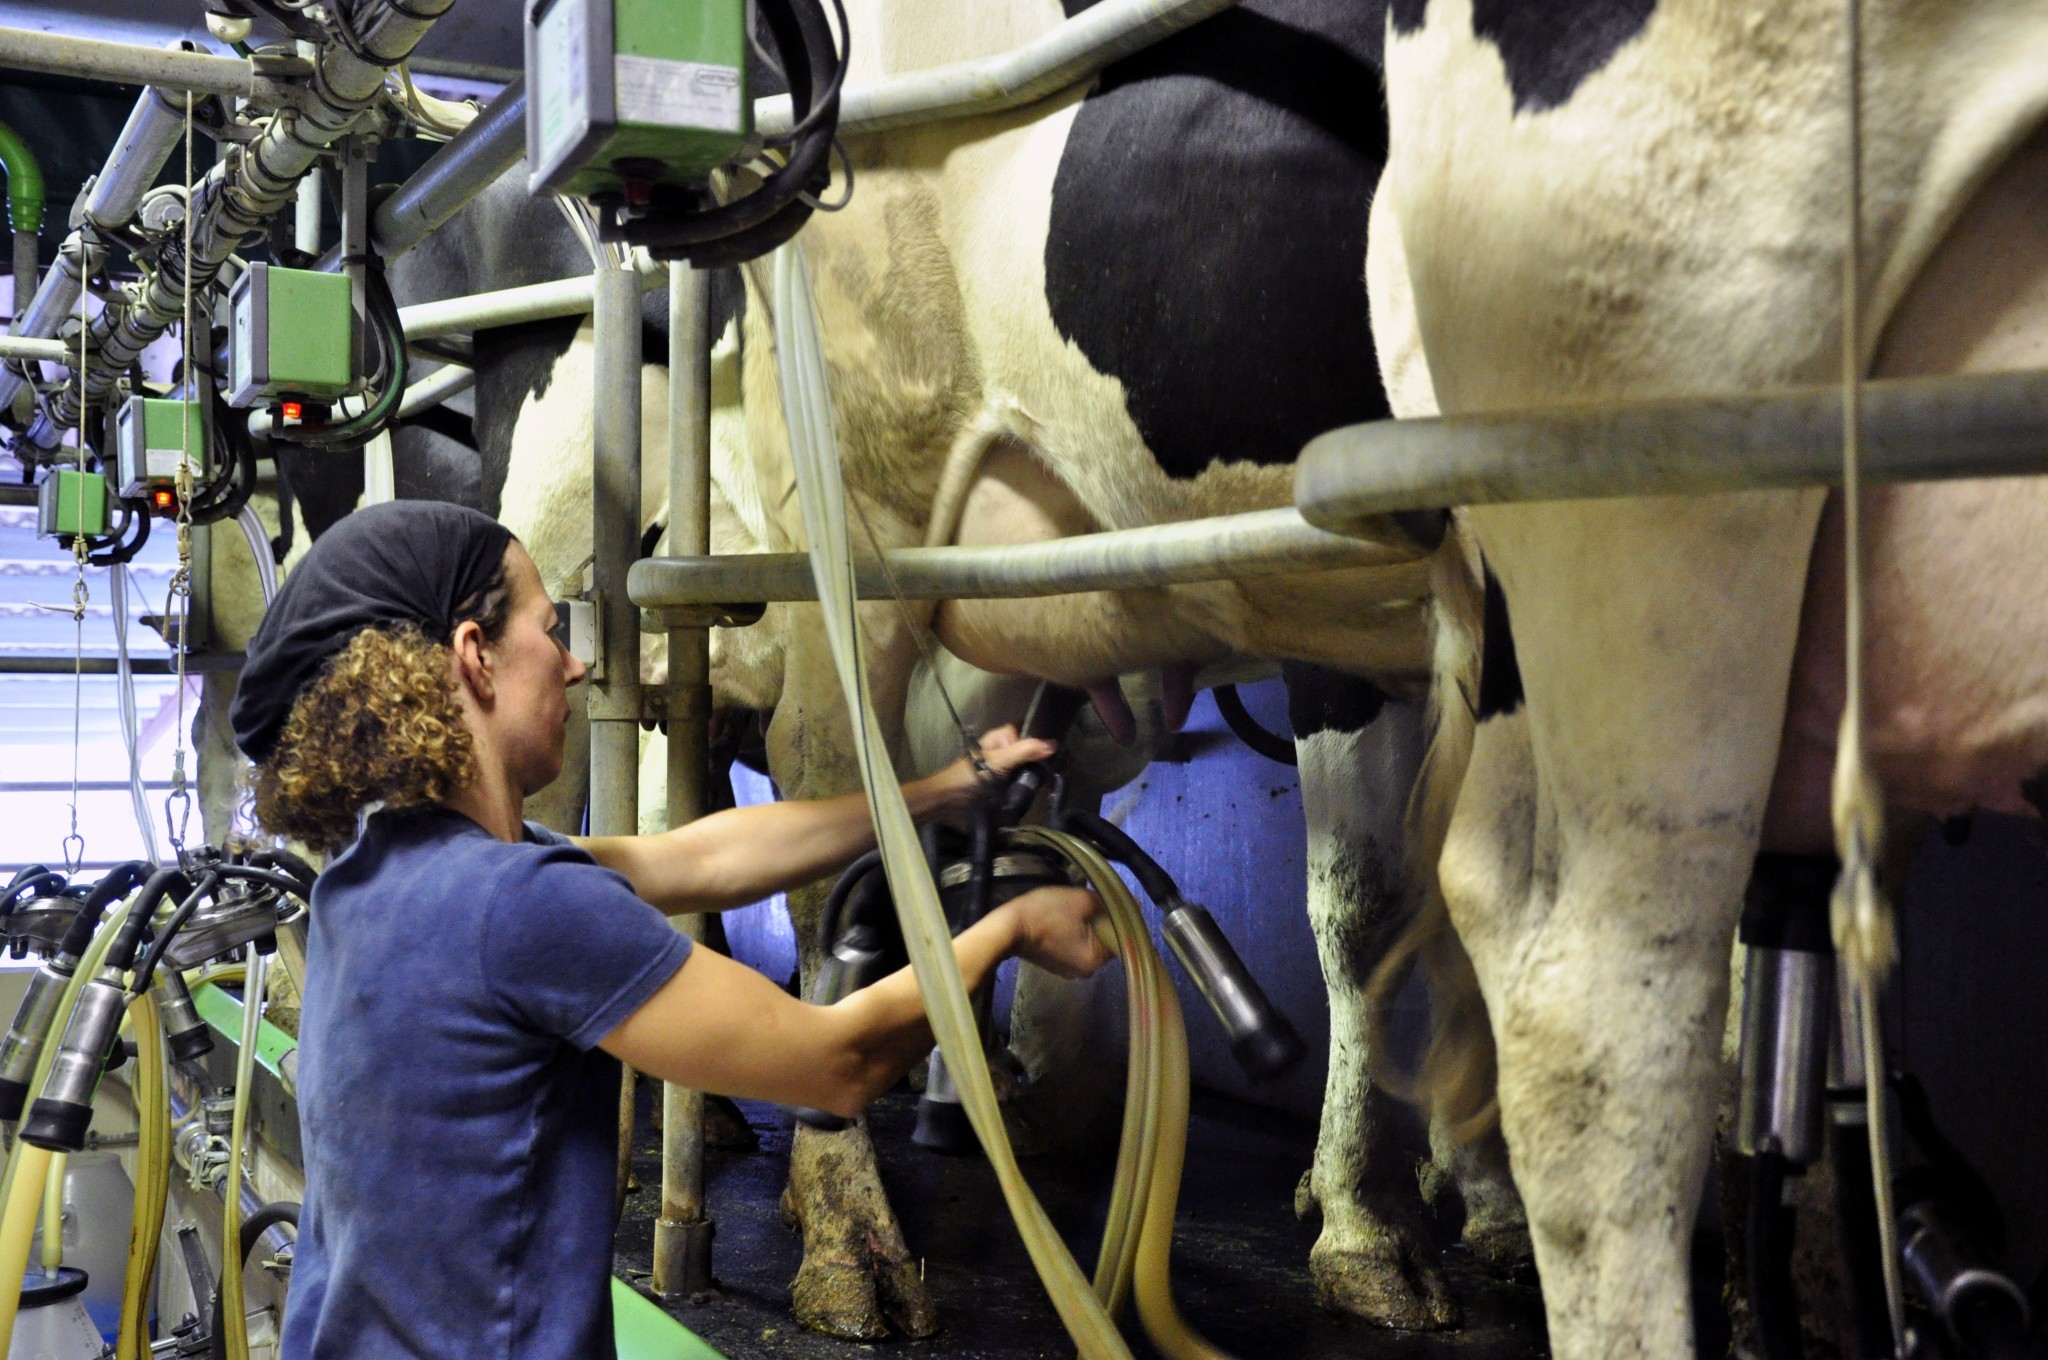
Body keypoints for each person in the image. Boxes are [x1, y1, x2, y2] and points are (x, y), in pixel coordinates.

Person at [227, 500, 1109, 1359]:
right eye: (553, 630)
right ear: (476, 658)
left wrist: (939, 791)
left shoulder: (385, 876)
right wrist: (1009, 927)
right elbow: (837, 1065)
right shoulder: (519, 906)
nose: (575, 669)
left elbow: (701, 858)